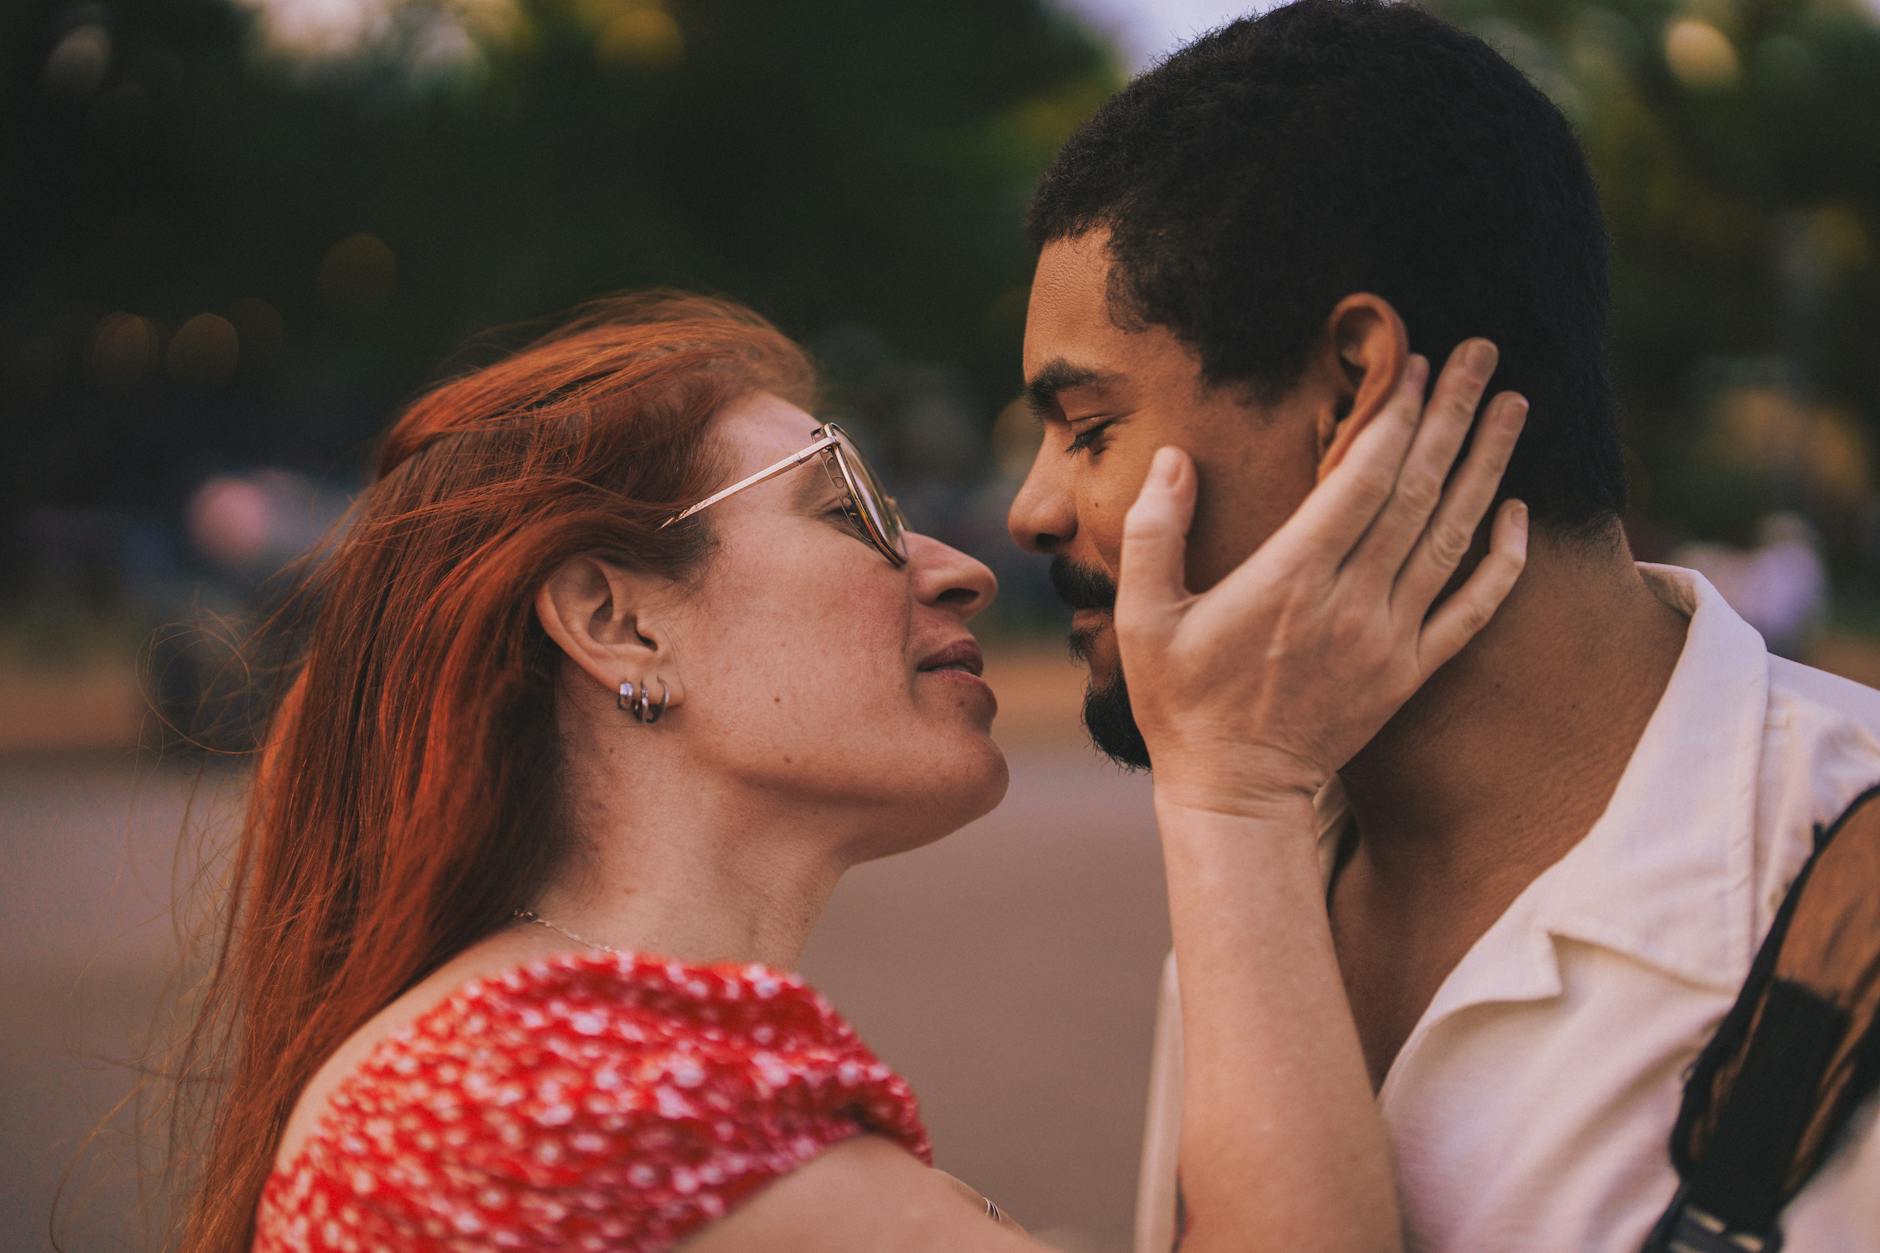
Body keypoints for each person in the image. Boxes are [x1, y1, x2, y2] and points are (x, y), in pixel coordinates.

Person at [165, 290, 1526, 1251]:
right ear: (619, 620)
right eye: (852, 510)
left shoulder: (575, 1070)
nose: (965, 562)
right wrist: (1237, 784)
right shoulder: (530, 1095)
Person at [1004, 2, 1880, 1249]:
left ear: (1351, 388)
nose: (1032, 509)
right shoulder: (1254, 881)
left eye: (1087, 426)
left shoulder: (1833, 877)